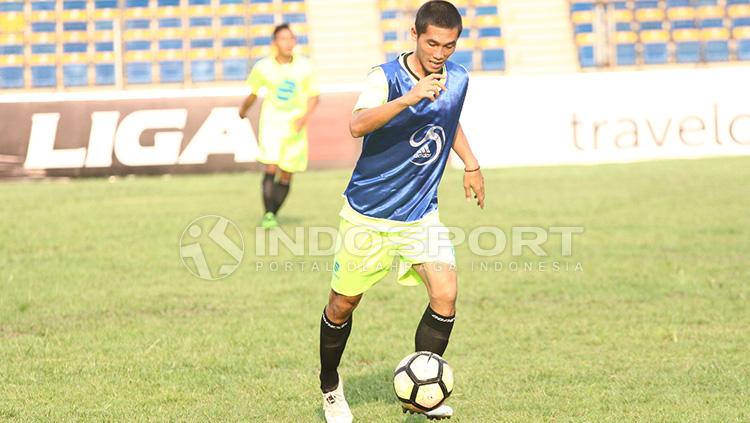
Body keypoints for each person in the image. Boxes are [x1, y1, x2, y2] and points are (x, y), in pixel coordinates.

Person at [317, 1, 485, 421]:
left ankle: (421, 395)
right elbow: (357, 124)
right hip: (367, 215)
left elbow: (449, 120)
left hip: (419, 214)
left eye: (448, 45)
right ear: (414, 35)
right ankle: (330, 387)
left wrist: (471, 162)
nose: (439, 52)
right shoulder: (385, 78)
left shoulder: (458, 78)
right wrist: (408, 98)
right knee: (342, 305)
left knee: (445, 294)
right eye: (432, 42)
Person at [239, 23, 320, 229]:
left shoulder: (305, 66)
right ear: (275, 43)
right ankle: (268, 215)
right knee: (271, 165)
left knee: (286, 172)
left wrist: (304, 118)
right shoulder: (263, 67)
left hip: (295, 127)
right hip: (272, 124)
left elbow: (314, 96)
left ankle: (272, 212)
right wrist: (243, 110)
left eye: (291, 38)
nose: (288, 43)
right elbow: (253, 92)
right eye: (283, 39)